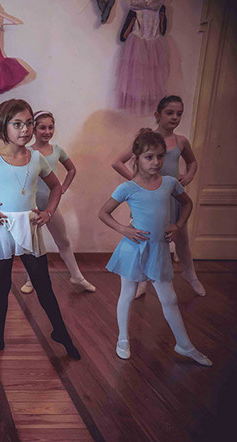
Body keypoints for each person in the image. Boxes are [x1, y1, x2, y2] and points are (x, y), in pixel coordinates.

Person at [0, 99, 80, 361]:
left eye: (28, 123)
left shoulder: (37, 158)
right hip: (1, 227)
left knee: (43, 285)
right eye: (17, 124)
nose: (25, 129)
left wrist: (49, 212)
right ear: (3, 126)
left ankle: (61, 332)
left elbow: (56, 187)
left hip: (29, 226)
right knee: (1, 285)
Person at [99, 128, 211, 366]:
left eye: (160, 156)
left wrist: (178, 225)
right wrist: (124, 229)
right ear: (137, 158)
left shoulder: (169, 183)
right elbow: (103, 213)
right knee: (128, 294)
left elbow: (187, 204)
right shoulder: (128, 188)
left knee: (169, 298)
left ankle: (184, 345)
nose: (156, 162)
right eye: (149, 157)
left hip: (158, 249)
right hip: (134, 249)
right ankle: (122, 339)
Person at [112, 95, 205, 298]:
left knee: (181, 239)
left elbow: (192, 162)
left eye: (179, 114)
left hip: (173, 197)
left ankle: (191, 275)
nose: (175, 117)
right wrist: (138, 182)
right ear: (158, 114)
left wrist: (189, 175)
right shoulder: (147, 139)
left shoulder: (181, 141)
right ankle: (142, 282)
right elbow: (117, 162)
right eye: (169, 113)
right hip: (149, 200)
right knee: (145, 238)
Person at [20, 110, 95, 294]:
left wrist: (62, 188)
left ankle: (77, 276)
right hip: (31, 206)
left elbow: (71, 170)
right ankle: (30, 279)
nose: (47, 131)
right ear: (33, 129)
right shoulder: (27, 151)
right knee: (31, 244)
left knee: (63, 241)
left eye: (50, 127)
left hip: (50, 205)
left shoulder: (57, 150)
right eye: (42, 128)